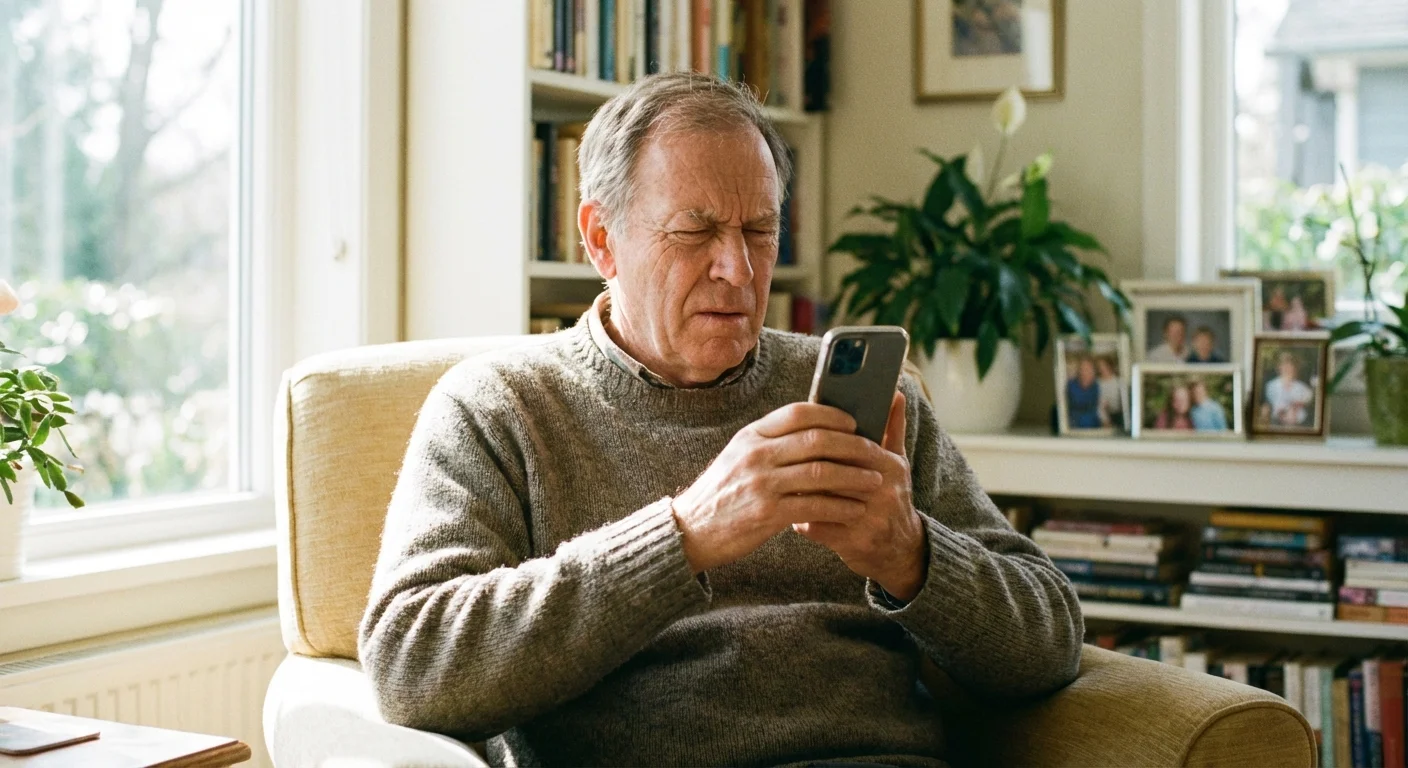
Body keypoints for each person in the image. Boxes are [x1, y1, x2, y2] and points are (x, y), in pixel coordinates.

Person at [358, 73, 1082, 768]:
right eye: (694, 231)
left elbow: (1050, 641)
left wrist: (911, 555)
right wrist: (684, 536)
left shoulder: (870, 401)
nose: (737, 269)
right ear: (601, 239)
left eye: (760, 231)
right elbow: (411, 663)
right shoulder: (496, 408)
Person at [1264, 351, 1314, 427]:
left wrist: (1297, 406)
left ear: (1295, 368)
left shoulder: (1303, 388)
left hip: (1300, 425)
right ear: (1279, 367)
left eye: (1290, 365)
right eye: (1284, 365)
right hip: (1277, 424)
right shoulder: (1271, 385)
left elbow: (1307, 402)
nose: (1287, 368)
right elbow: (1272, 406)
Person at [1066, 355, 1102, 429]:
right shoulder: (1071, 384)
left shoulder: (1096, 385)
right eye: (1082, 368)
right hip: (1075, 421)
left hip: (1093, 422)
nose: (1085, 370)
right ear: (1079, 370)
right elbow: (1076, 402)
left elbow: (1095, 405)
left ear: (1093, 370)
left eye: (1088, 368)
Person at [1095, 356, 1123, 429]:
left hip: (1116, 412)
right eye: (1100, 366)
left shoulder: (1118, 381)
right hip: (1101, 411)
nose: (1102, 368)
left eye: (1104, 365)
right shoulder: (1097, 382)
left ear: (1109, 366)